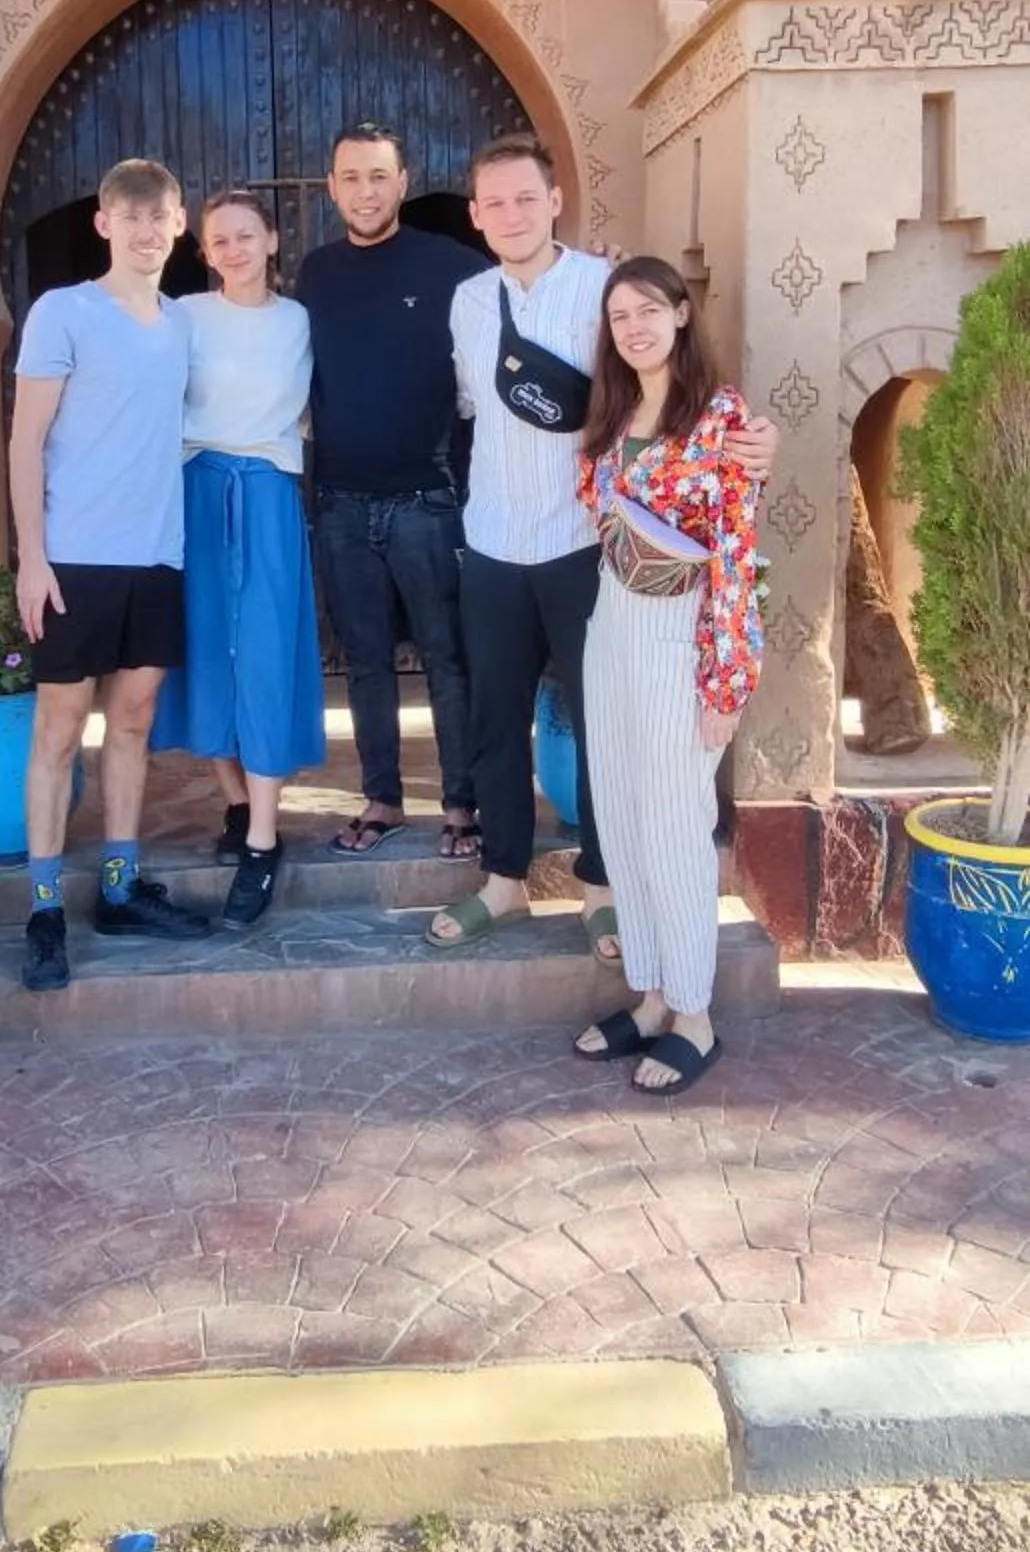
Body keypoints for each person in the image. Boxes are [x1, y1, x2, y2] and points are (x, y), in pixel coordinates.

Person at [425, 135, 775, 953]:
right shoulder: (469, 301)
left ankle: (601, 884)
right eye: (494, 203)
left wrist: (758, 437)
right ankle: (503, 880)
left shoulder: (602, 290)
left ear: (555, 202)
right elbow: (473, 406)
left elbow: (668, 388)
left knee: (599, 719)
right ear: (476, 216)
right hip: (492, 543)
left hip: (587, 545)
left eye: (526, 198)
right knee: (494, 716)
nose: (511, 214)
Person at [9, 155, 210, 992]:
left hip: (157, 557)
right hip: (75, 562)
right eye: (127, 215)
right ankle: (45, 908)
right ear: (103, 224)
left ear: (178, 223)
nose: (142, 229)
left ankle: (121, 890)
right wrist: (31, 557)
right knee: (58, 734)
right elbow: (24, 439)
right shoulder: (65, 311)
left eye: (156, 215)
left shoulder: (182, 323)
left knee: (131, 725)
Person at [574, 257, 765, 1098]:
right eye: (620, 317)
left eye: (650, 310)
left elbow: (734, 556)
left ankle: (696, 1012)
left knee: (676, 821)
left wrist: (723, 685)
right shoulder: (615, 411)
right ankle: (651, 996)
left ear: (682, 314)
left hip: (680, 636)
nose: (636, 327)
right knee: (620, 812)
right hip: (611, 626)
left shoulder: (720, 419)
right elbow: (596, 502)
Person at [297, 124, 484, 861]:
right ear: (331, 187)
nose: (365, 191)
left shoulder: (456, 269)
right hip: (341, 504)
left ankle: (462, 805)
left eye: (379, 176)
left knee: (446, 659)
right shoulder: (313, 273)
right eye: (351, 177)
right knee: (365, 662)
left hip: (426, 504)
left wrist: (600, 271)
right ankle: (381, 800)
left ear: (404, 181)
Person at [153, 188, 326, 928]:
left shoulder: (302, 321)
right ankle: (235, 801)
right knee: (204, 653)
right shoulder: (182, 315)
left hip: (267, 492)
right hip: (195, 488)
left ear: (273, 239)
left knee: (262, 651)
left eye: (246, 235)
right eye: (218, 240)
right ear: (205, 250)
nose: (233, 249)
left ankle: (261, 841)